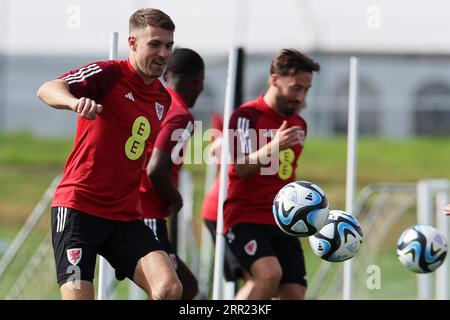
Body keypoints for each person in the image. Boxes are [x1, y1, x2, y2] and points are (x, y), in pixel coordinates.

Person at [36, 8, 182, 300]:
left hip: (124, 218)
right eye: (155, 44)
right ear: (132, 43)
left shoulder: (163, 98)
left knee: (169, 288)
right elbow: (47, 88)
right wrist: (73, 103)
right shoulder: (107, 74)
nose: (163, 53)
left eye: (168, 45)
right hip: (78, 210)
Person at [223, 49, 320, 300]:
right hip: (245, 217)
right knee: (268, 275)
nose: (301, 97)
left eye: (306, 90)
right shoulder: (245, 117)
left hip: (283, 222)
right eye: (296, 88)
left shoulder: (300, 125)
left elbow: (285, 176)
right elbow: (240, 168)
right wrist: (273, 145)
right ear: (274, 80)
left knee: (294, 293)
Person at [139, 48, 204, 300]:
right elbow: (156, 169)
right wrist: (175, 197)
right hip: (147, 214)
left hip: (129, 206)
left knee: (184, 287)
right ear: (198, 80)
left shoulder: (153, 103)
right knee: (174, 288)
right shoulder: (181, 114)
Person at [201, 114, 254, 299]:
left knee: (257, 277)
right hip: (222, 212)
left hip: (234, 211)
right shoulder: (246, 133)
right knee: (256, 277)